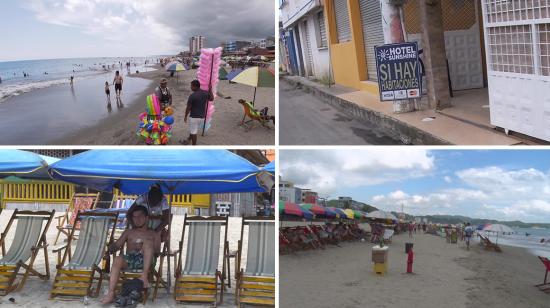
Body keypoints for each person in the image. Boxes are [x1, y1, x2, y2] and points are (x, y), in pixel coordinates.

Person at [101, 205, 160, 304]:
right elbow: (117, 245)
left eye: (140, 216)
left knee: (148, 244)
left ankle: (144, 276)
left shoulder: (154, 234)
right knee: (118, 259)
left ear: (147, 217)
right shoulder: (128, 232)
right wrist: (108, 249)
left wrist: (145, 246)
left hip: (147, 261)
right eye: (134, 217)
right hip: (130, 259)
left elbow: (157, 253)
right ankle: (111, 294)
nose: (137, 219)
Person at [180, 80, 214, 145]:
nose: (191, 87)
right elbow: (211, 98)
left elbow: (188, 108)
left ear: (195, 86)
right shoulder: (205, 93)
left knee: (193, 132)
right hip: (202, 117)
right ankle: (189, 139)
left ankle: (194, 146)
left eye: (191, 86)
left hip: (194, 117)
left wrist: (185, 116)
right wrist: (210, 89)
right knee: (194, 128)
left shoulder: (192, 96)